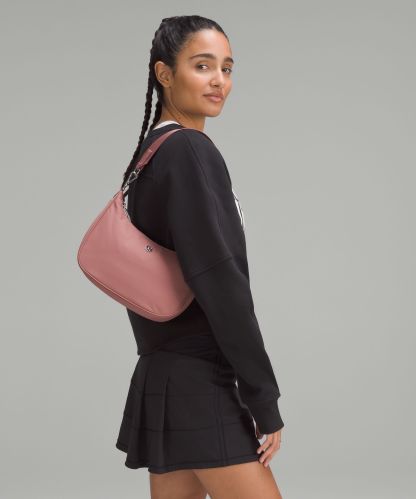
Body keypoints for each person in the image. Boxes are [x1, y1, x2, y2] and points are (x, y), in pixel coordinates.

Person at [115, 15, 285, 499]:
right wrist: (263, 397)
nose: (219, 81)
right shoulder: (188, 150)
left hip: (163, 370)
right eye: (203, 65)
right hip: (199, 378)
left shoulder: (154, 150)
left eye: (227, 68)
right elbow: (219, 281)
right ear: (165, 74)